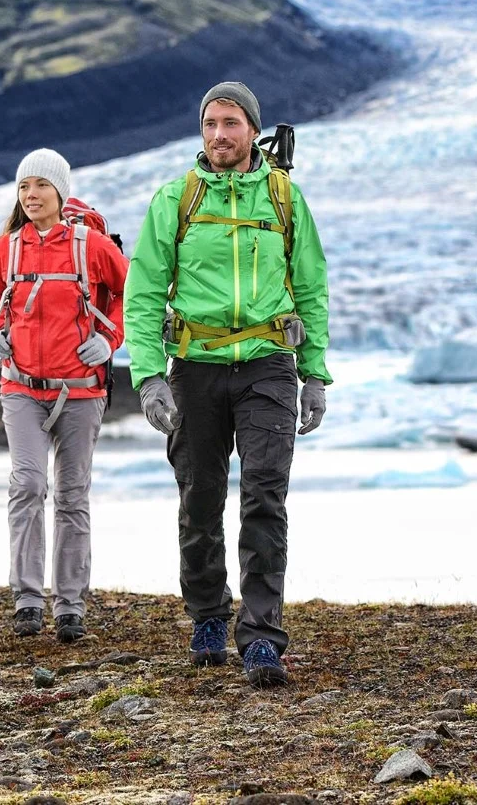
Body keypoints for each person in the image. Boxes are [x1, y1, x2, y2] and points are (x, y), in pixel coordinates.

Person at [122, 82, 331, 686]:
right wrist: (149, 377)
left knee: (265, 495)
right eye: (210, 123)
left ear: (252, 130)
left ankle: (262, 635)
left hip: (268, 362)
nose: (219, 134)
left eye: (231, 123)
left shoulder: (285, 199)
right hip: (195, 366)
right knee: (200, 497)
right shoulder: (175, 200)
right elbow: (142, 295)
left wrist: (314, 372)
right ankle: (209, 615)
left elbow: (311, 288)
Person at [0, 148, 128, 643]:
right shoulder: (5, 249)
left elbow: (135, 292)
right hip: (20, 386)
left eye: (41, 185)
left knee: (71, 494)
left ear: (61, 192)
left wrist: (109, 339)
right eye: (24, 187)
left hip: (82, 390)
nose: (31, 195)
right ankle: (26, 600)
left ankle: (69, 606)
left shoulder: (91, 247)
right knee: (26, 484)